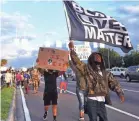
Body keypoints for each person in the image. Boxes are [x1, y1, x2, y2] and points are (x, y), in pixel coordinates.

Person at [68, 41, 125, 121]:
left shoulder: (105, 72)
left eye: (99, 56)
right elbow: (77, 62)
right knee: (93, 119)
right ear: (92, 59)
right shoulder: (87, 69)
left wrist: (120, 93)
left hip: (102, 102)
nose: (98, 57)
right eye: (96, 56)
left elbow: (114, 83)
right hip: (91, 101)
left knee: (104, 119)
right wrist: (71, 49)